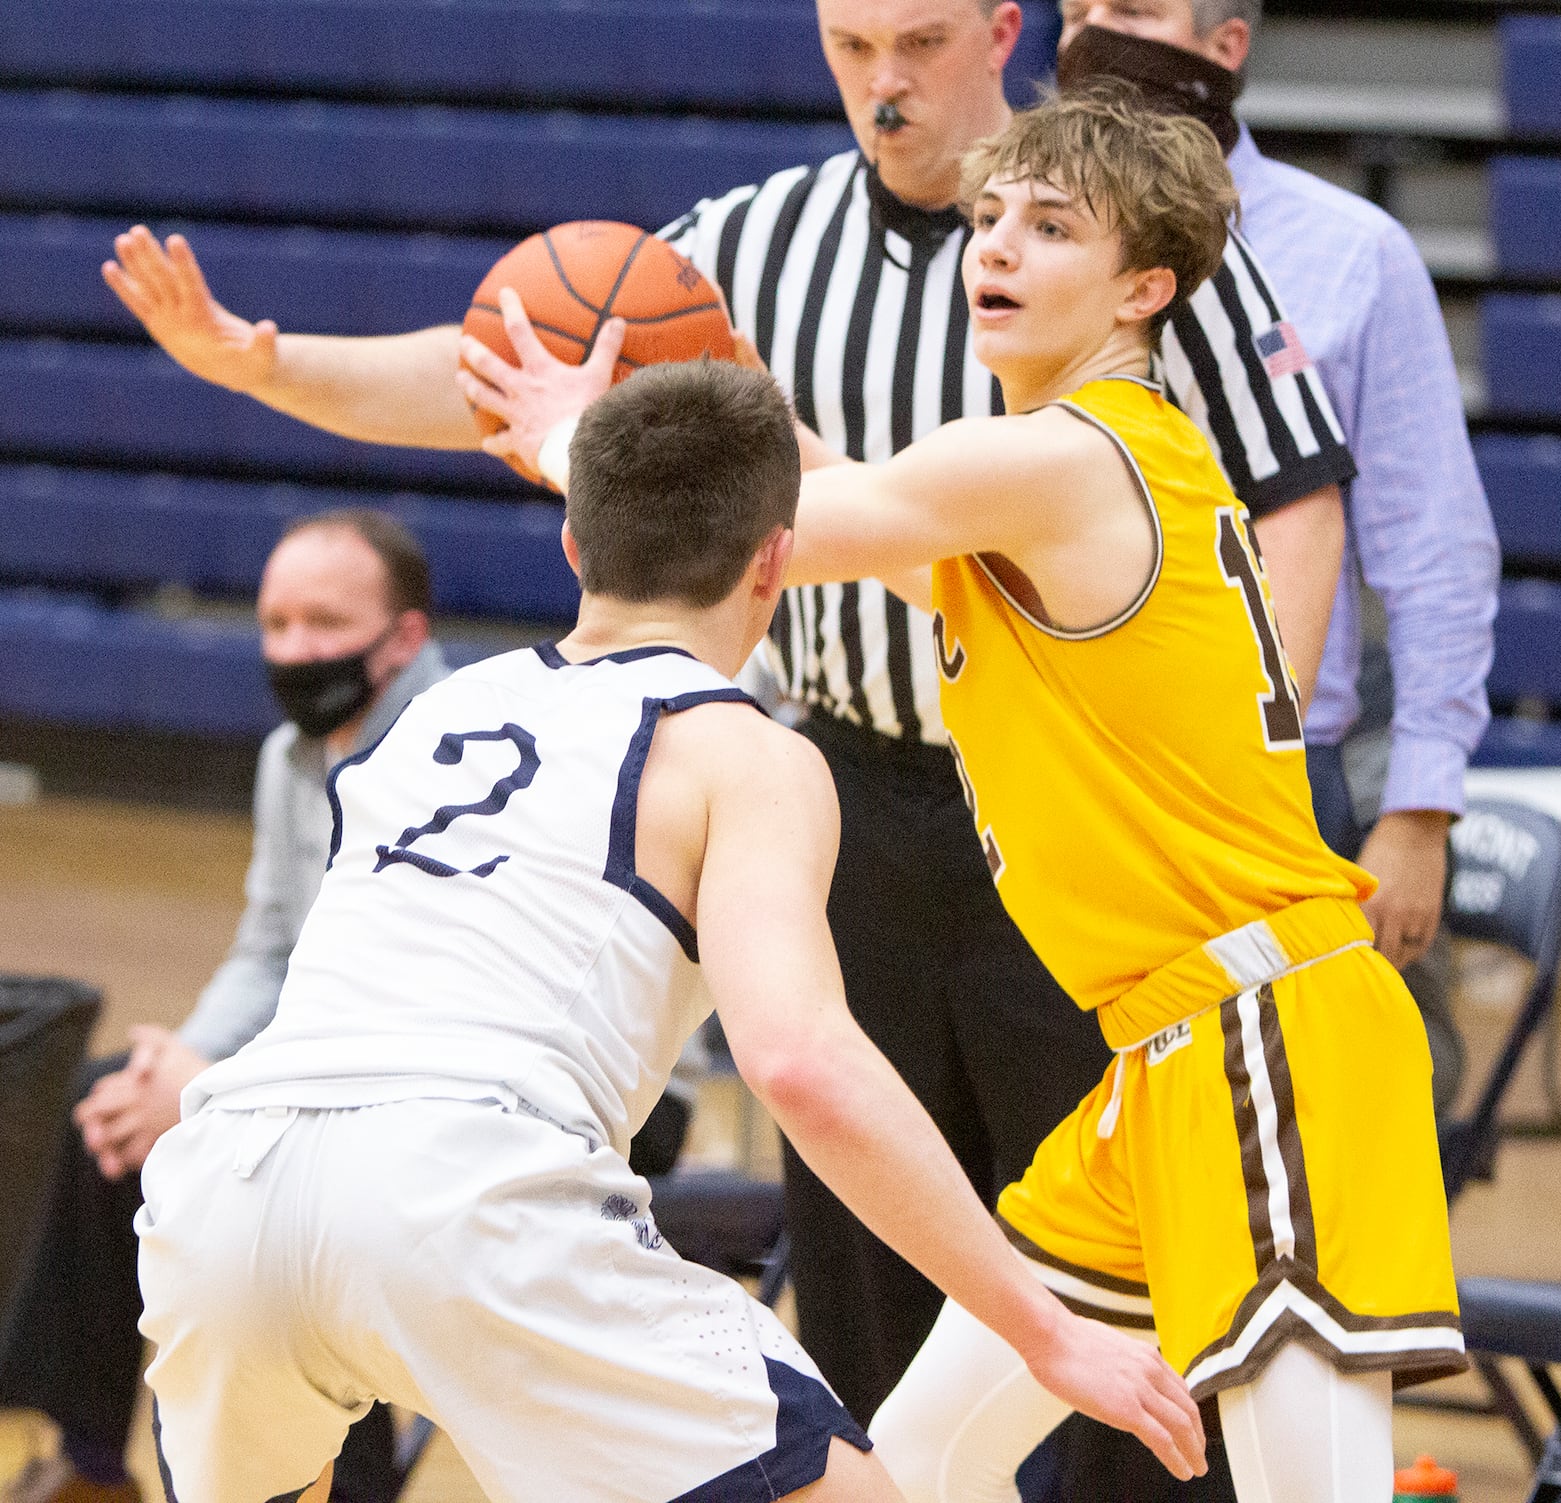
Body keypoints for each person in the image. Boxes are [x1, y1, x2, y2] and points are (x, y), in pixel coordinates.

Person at [101, 3, 1358, 1455]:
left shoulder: (1068, 442)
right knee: (918, 1389)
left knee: (1221, 1431)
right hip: (947, 844)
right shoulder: (792, 266)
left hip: (1202, 955)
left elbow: (793, 515)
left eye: (920, 44)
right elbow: (569, 380)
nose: (885, 83)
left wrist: (593, 446)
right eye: (851, 47)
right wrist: (273, 369)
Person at [489, 89, 1467, 1503]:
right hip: (1157, 1064)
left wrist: (580, 436)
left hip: (1268, 1038)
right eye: (990, 216)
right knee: (926, 1460)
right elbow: (858, 510)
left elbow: (760, 539)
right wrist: (713, 386)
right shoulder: (1063, 483)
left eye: (1053, 226)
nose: (997, 244)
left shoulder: (1061, 456)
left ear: (1147, 286)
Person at [133, 359, 1208, 1503]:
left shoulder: (431, 711)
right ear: (778, 561)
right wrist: (1044, 1332)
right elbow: (798, 1061)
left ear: (573, 551)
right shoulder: (741, 750)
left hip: (225, 1180)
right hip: (466, 1187)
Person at [1055, 0, 1500, 1114]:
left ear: (1224, 46)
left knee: (1280, 1157)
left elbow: (1434, 546)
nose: (1095, 35)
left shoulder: (1351, 254)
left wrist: (1419, 809)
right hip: (1062, 776)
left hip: (1275, 784)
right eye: (1078, 12)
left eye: (1134, 11)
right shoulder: (1021, 239)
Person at [0, 511, 447, 1503]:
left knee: (276, 1191)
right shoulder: (291, 756)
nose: (293, 650)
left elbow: (412, 992)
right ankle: (90, 1461)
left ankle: (341, 1482)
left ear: (406, 638)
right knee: (107, 1111)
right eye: (274, 623)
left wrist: (218, 1089)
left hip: (451, 1086)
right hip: (324, 1079)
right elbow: (269, 951)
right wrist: (184, 1062)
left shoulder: (450, 759)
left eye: (323, 622)